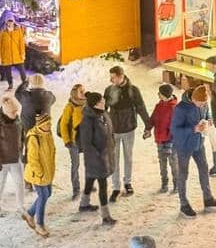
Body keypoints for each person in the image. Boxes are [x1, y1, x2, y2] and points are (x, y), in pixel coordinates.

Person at [171, 84, 216, 217]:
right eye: (200, 103)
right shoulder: (180, 109)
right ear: (193, 99)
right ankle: (184, 204)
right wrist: (193, 129)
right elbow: (174, 130)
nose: (202, 106)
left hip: (198, 143)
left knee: (204, 169)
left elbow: (207, 113)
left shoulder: (204, 104)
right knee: (183, 174)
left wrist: (209, 119)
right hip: (183, 145)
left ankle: (208, 199)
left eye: (204, 103)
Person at [105, 62, 150, 201]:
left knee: (128, 157)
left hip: (129, 128)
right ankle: (116, 187)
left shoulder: (133, 90)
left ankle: (127, 182)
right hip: (113, 130)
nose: (111, 80)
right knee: (114, 159)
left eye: (113, 77)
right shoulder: (109, 90)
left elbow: (141, 107)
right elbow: (103, 109)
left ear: (121, 76)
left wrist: (148, 126)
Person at [74, 91, 117, 226]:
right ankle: (105, 216)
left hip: (105, 155)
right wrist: (98, 157)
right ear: (94, 104)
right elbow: (87, 143)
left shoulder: (103, 114)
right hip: (97, 158)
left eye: (103, 100)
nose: (103, 102)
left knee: (90, 178)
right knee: (102, 185)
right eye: (100, 101)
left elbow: (110, 133)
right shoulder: (87, 121)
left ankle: (84, 204)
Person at [0, 92, 26, 217]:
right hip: (2, 161)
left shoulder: (17, 120)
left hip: (15, 159)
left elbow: (22, 137)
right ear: (6, 112)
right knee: (0, 184)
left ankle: (21, 207)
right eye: (12, 112)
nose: (15, 114)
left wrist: (23, 152)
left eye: (16, 111)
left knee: (19, 183)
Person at [23, 108, 55, 237]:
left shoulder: (48, 134)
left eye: (50, 123)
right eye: (47, 124)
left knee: (48, 193)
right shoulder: (34, 138)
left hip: (47, 171)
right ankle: (39, 225)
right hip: (38, 174)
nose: (49, 126)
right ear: (40, 124)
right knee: (43, 196)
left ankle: (29, 213)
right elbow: (33, 159)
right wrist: (40, 173)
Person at [144, 81, 178, 193]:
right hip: (160, 139)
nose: (158, 95)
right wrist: (148, 129)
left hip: (170, 142)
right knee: (162, 163)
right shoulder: (159, 105)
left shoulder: (174, 108)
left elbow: (176, 127)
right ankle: (164, 183)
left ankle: (177, 184)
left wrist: (171, 140)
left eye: (160, 93)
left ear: (164, 94)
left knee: (173, 163)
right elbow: (152, 118)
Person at [58, 82, 87, 200]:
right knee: (75, 165)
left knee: (89, 163)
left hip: (86, 139)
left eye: (84, 90)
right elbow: (64, 124)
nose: (84, 93)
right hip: (74, 141)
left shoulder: (87, 104)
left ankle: (89, 184)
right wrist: (67, 140)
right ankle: (76, 189)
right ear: (75, 94)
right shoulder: (69, 107)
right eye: (81, 91)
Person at [0, 15, 27, 86]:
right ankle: (10, 85)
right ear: (6, 22)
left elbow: (21, 43)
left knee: (22, 70)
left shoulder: (18, 30)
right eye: (8, 21)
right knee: (8, 72)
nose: (10, 23)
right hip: (6, 55)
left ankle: (25, 84)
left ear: (14, 22)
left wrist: (22, 53)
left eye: (11, 21)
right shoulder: (2, 31)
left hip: (17, 55)